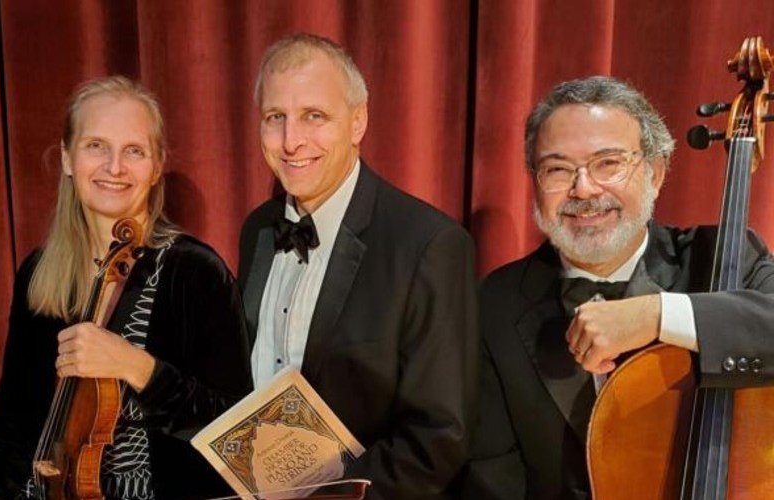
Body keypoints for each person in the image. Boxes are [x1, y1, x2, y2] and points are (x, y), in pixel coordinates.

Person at [461, 76, 774, 499]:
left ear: (656, 173)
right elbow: (491, 483)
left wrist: (660, 315)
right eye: (558, 169)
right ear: (534, 183)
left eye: (608, 163)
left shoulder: (724, 258)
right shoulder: (494, 304)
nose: (584, 189)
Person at [0, 76, 252, 500]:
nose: (115, 167)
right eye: (96, 146)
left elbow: (236, 430)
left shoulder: (195, 272)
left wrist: (138, 367)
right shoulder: (40, 270)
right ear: (68, 157)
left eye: (134, 151)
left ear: (157, 165)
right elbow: (12, 417)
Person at [237, 34, 478, 499]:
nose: (291, 141)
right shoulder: (257, 231)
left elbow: (438, 439)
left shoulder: (430, 244)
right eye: (275, 118)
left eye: (314, 116)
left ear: (358, 121)